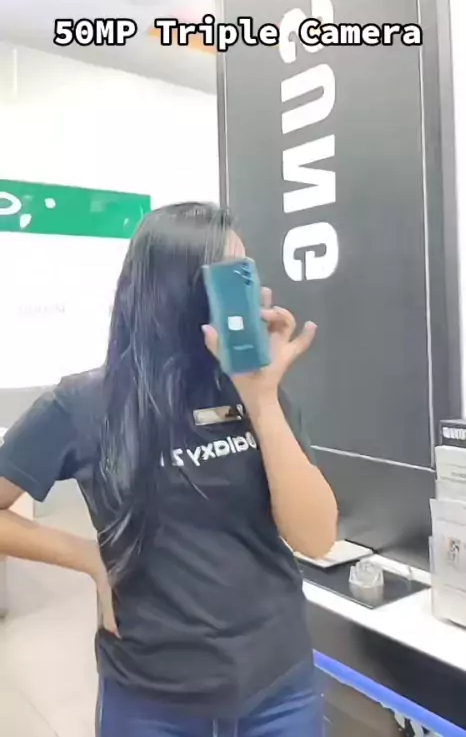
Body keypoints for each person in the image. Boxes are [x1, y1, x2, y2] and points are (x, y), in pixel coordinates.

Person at [0, 202, 337, 737]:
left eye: (248, 276)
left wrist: (262, 398)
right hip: (152, 697)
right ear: (179, 291)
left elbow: (316, 538)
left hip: (278, 687)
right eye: (232, 278)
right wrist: (89, 558)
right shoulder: (83, 404)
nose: (255, 295)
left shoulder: (258, 394)